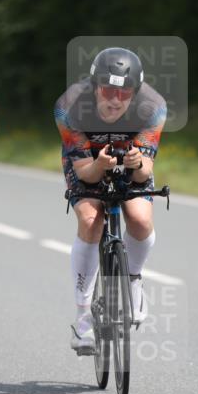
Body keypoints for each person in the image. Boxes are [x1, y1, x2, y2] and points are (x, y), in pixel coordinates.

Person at [55, 47, 166, 353]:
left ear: (135, 93)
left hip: (131, 160)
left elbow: (144, 173)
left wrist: (137, 162)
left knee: (140, 219)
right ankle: (82, 319)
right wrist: (99, 166)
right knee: (91, 220)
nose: (115, 100)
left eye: (124, 93)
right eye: (108, 90)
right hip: (87, 162)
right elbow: (85, 173)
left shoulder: (153, 107)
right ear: (95, 87)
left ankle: (133, 279)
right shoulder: (68, 107)